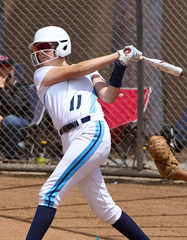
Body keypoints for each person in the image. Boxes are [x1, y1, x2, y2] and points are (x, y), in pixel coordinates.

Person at [25, 26, 149, 239]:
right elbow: (78, 69)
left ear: (62, 47)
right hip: (70, 140)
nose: (39, 52)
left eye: (45, 47)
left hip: (91, 132)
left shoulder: (91, 73)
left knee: (49, 193)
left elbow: (109, 96)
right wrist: (117, 54)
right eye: (37, 48)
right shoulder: (42, 74)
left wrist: (121, 65)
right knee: (105, 210)